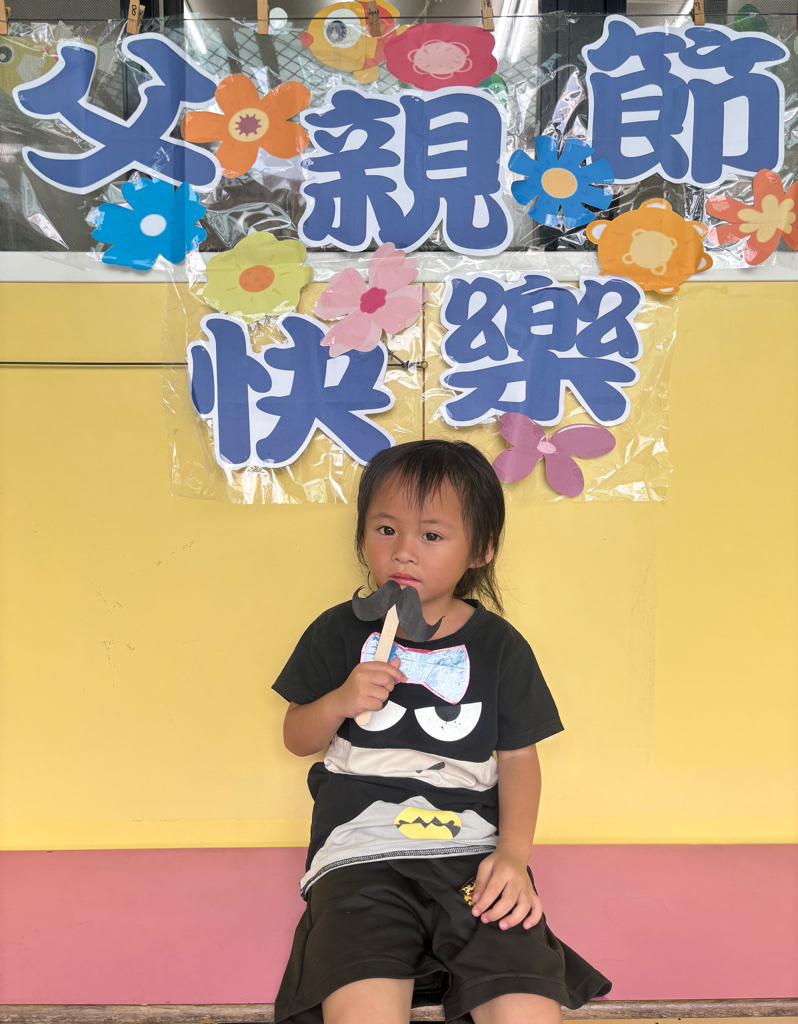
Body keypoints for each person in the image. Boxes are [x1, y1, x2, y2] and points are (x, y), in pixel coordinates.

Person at [272, 440, 611, 1024]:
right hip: (359, 854)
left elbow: (519, 759)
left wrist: (512, 855)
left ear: (480, 548)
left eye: (431, 535)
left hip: (472, 856)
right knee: (361, 1008)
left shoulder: (500, 647)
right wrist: (338, 701)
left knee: (526, 1004)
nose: (403, 551)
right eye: (385, 529)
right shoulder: (336, 630)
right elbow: (296, 737)